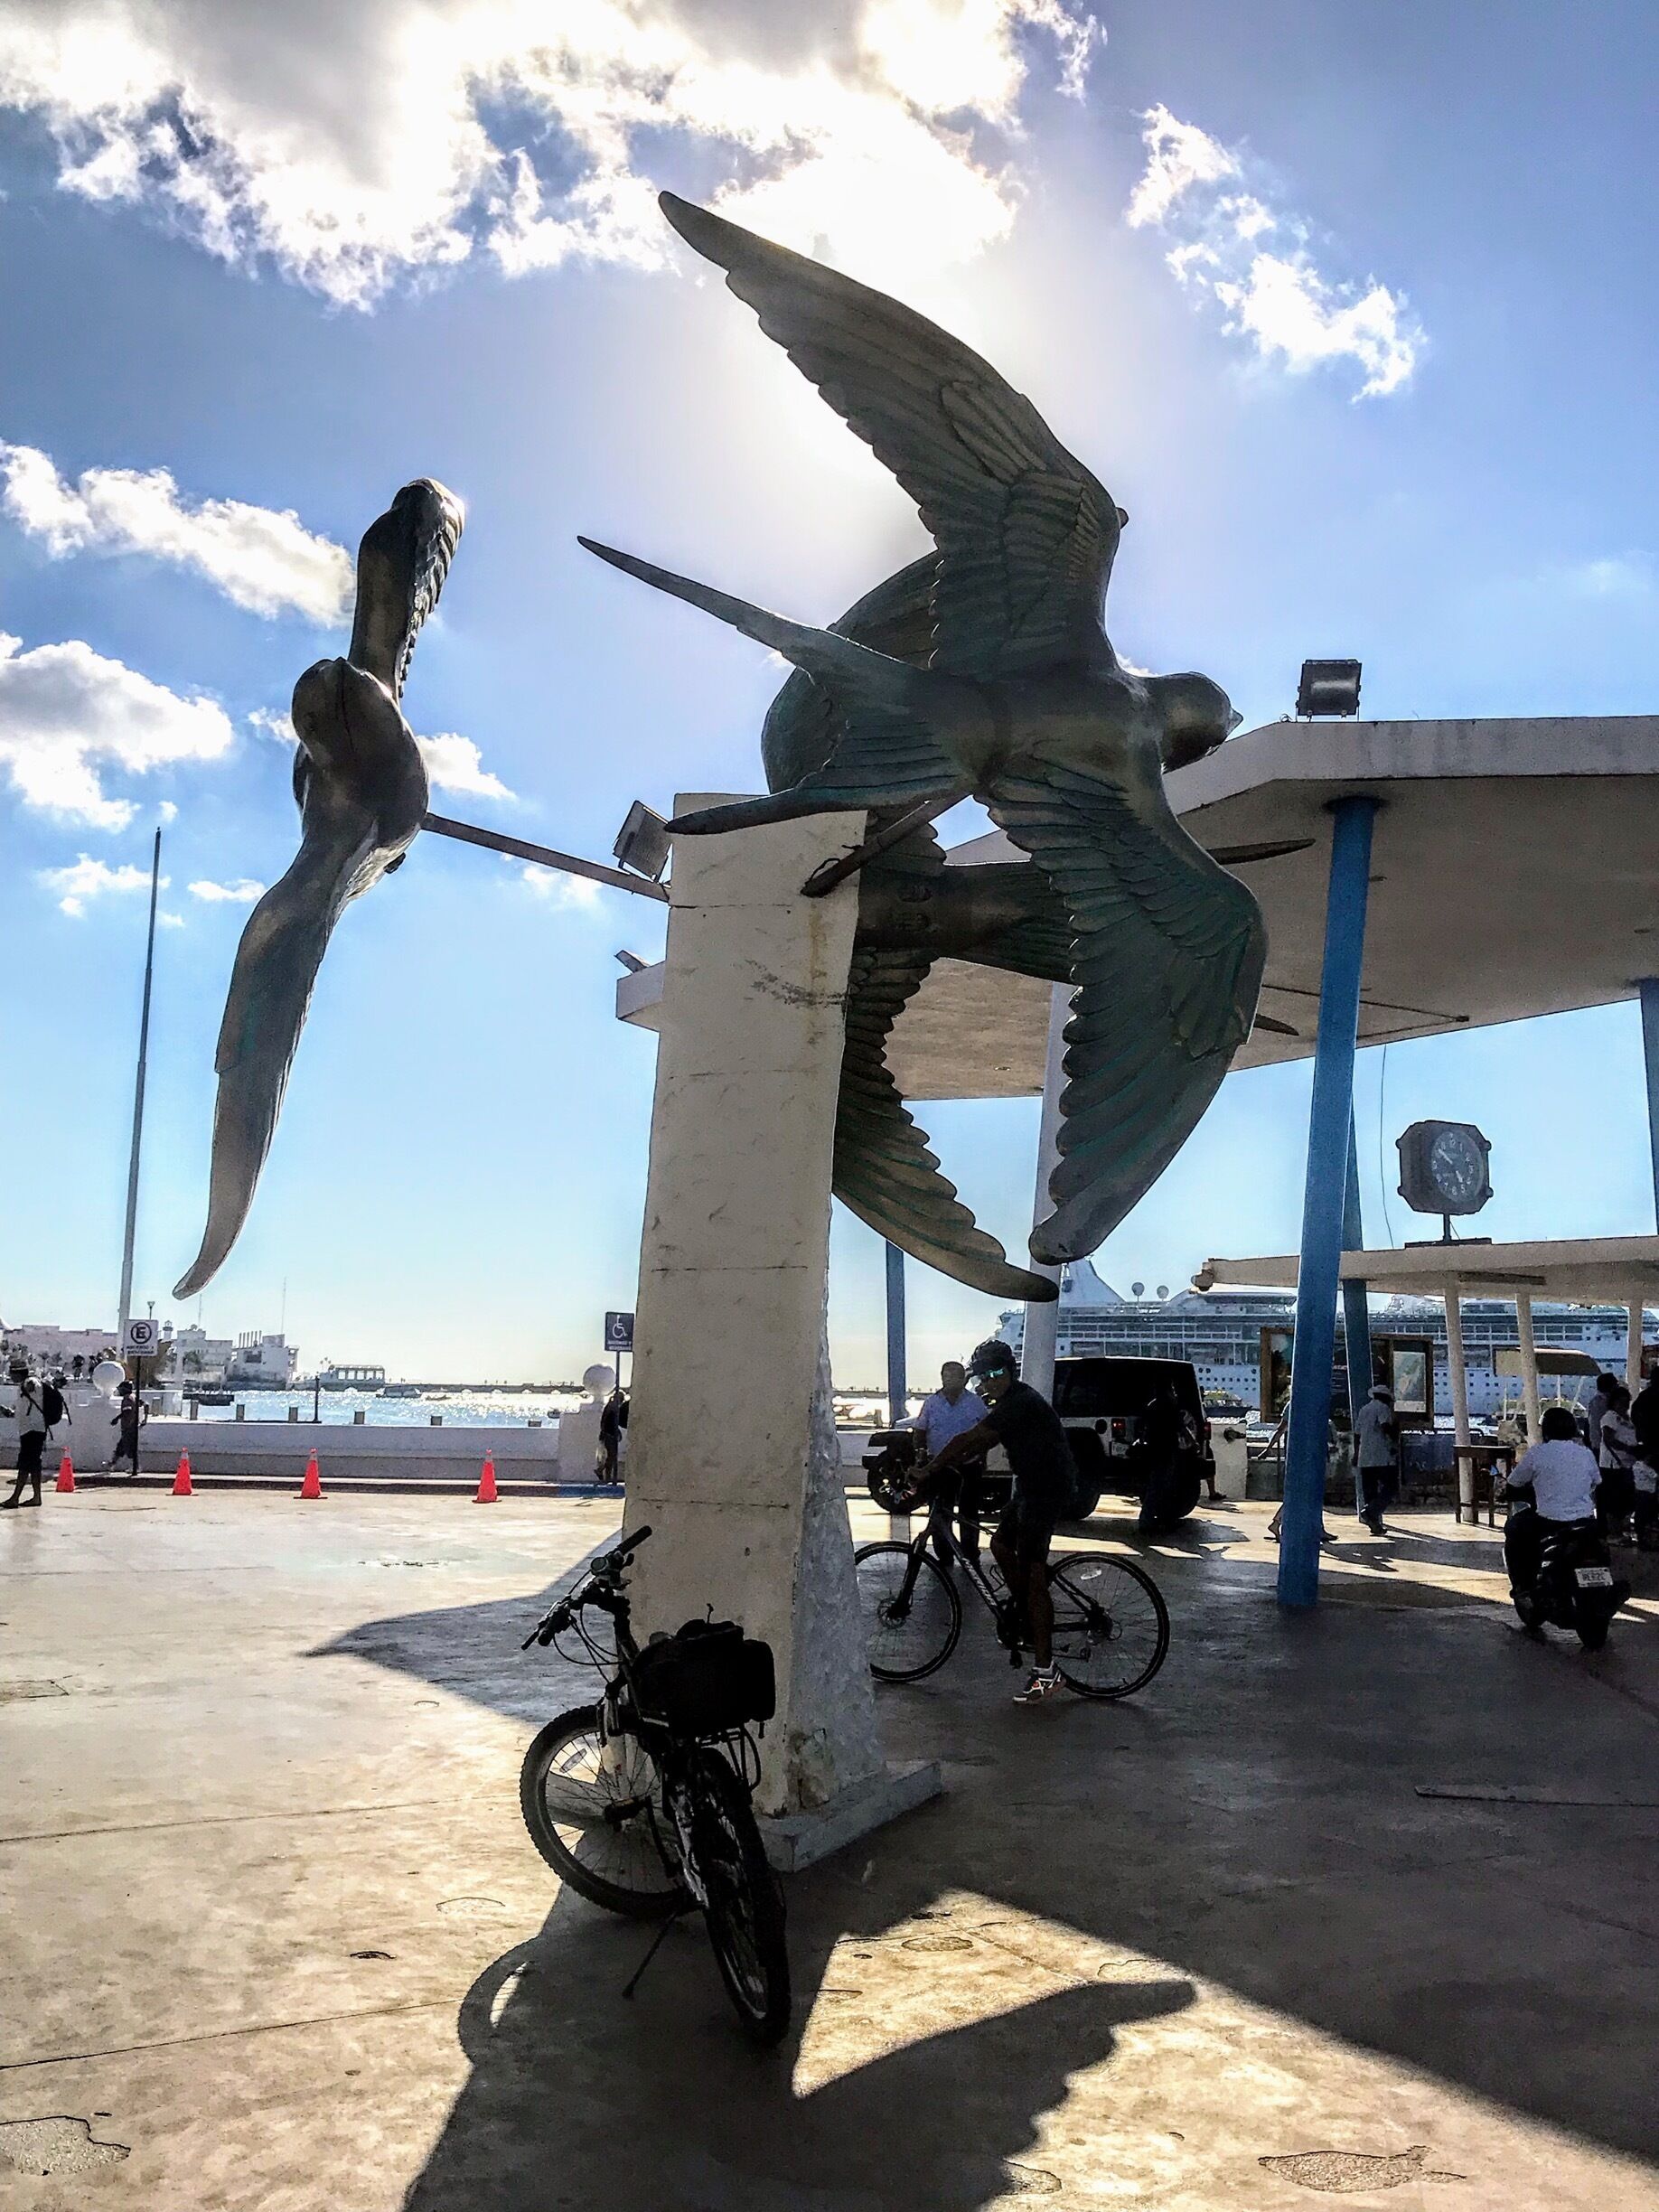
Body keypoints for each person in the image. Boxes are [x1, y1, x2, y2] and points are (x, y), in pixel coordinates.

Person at [923, 1337, 1078, 1705]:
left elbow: (972, 1437)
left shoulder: (1020, 1402)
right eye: (984, 1376)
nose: (990, 1381)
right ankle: (1024, 1609)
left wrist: (931, 1468)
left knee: (1034, 1575)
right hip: (1029, 1487)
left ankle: (1046, 1671)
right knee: (999, 1545)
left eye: (996, 1373)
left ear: (1011, 1372)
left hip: (1046, 1491)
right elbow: (981, 1444)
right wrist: (948, 1465)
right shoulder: (1007, 1403)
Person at [1503, 1405, 1601, 1617]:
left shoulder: (1537, 1453)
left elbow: (1513, 1483)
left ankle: (1523, 1587)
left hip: (1549, 1521)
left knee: (1514, 1529)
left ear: (1545, 1430)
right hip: (1585, 1521)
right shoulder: (1585, 1453)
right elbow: (1596, 1482)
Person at [910, 1360, 988, 1562]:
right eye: (946, 1375)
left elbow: (986, 1434)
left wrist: (980, 1456)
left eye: (955, 1375)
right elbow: (920, 1430)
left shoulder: (975, 1403)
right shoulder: (932, 1403)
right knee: (940, 1510)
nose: (950, 1379)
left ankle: (970, 1554)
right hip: (939, 1467)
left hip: (969, 1466)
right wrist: (920, 1453)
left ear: (963, 1379)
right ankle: (944, 1555)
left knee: (969, 1512)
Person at [1595, 1382, 1638, 1542]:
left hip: (1627, 1464)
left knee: (1625, 1499)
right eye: (1621, 1402)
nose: (1624, 1405)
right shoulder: (1610, 1417)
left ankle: (1620, 1529)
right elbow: (1609, 1439)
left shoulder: (1627, 1419)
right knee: (1614, 1500)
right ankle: (1613, 1533)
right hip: (1613, 1465)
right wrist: (1628, 1449)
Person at [1353, 1382, 1398, 1535]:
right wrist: (1395, 1435)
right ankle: (1371, 1511)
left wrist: (1356, 1454)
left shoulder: (1364, 1409)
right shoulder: (1383, 1408)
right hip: (1381, 1455)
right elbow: (1385, 1427)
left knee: (1369, 1491)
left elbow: (1357, 1434)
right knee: (1391, 1487)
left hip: (1364, 1457)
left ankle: (1374, 1524)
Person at [3, 1364, 49, 1508]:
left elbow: (33, 1386)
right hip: (31, 1430)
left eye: (12, 1374)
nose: (10, 1377)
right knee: (34, 1465)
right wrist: (9, 1412)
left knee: (25, 1464)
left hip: (32, 1431)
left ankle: (15, 1498)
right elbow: (25, 1410)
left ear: (18, 1374)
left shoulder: (30, 1382)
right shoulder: (23, 1386)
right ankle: (36, 1497)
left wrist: (30, 1384)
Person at [108, 1381, 146, 1476]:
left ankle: (136, 1467)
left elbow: (127, 1411)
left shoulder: (127, 1398)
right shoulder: (134, 1397)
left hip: (128, 1427)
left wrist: (116, 1419)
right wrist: (145, 1419)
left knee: (130, 1448)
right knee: (121, 1447)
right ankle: (112, 1463)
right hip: (132, 1427)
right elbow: (146, 1404)